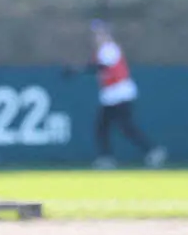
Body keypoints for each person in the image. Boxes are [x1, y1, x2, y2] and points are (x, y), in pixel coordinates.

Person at [67, 20, 166, 169]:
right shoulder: (100, 51)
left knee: (123, 127)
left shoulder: (109, 48)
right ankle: (108, 158)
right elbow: (96, 67)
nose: (96, 38)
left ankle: (152, 151)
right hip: (110, 96)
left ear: (107, 35)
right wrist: (78, 70)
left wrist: (78, 70)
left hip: (121, 94)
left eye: (99, 34)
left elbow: (101, 67)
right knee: (103, 127)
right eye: (95, 35)